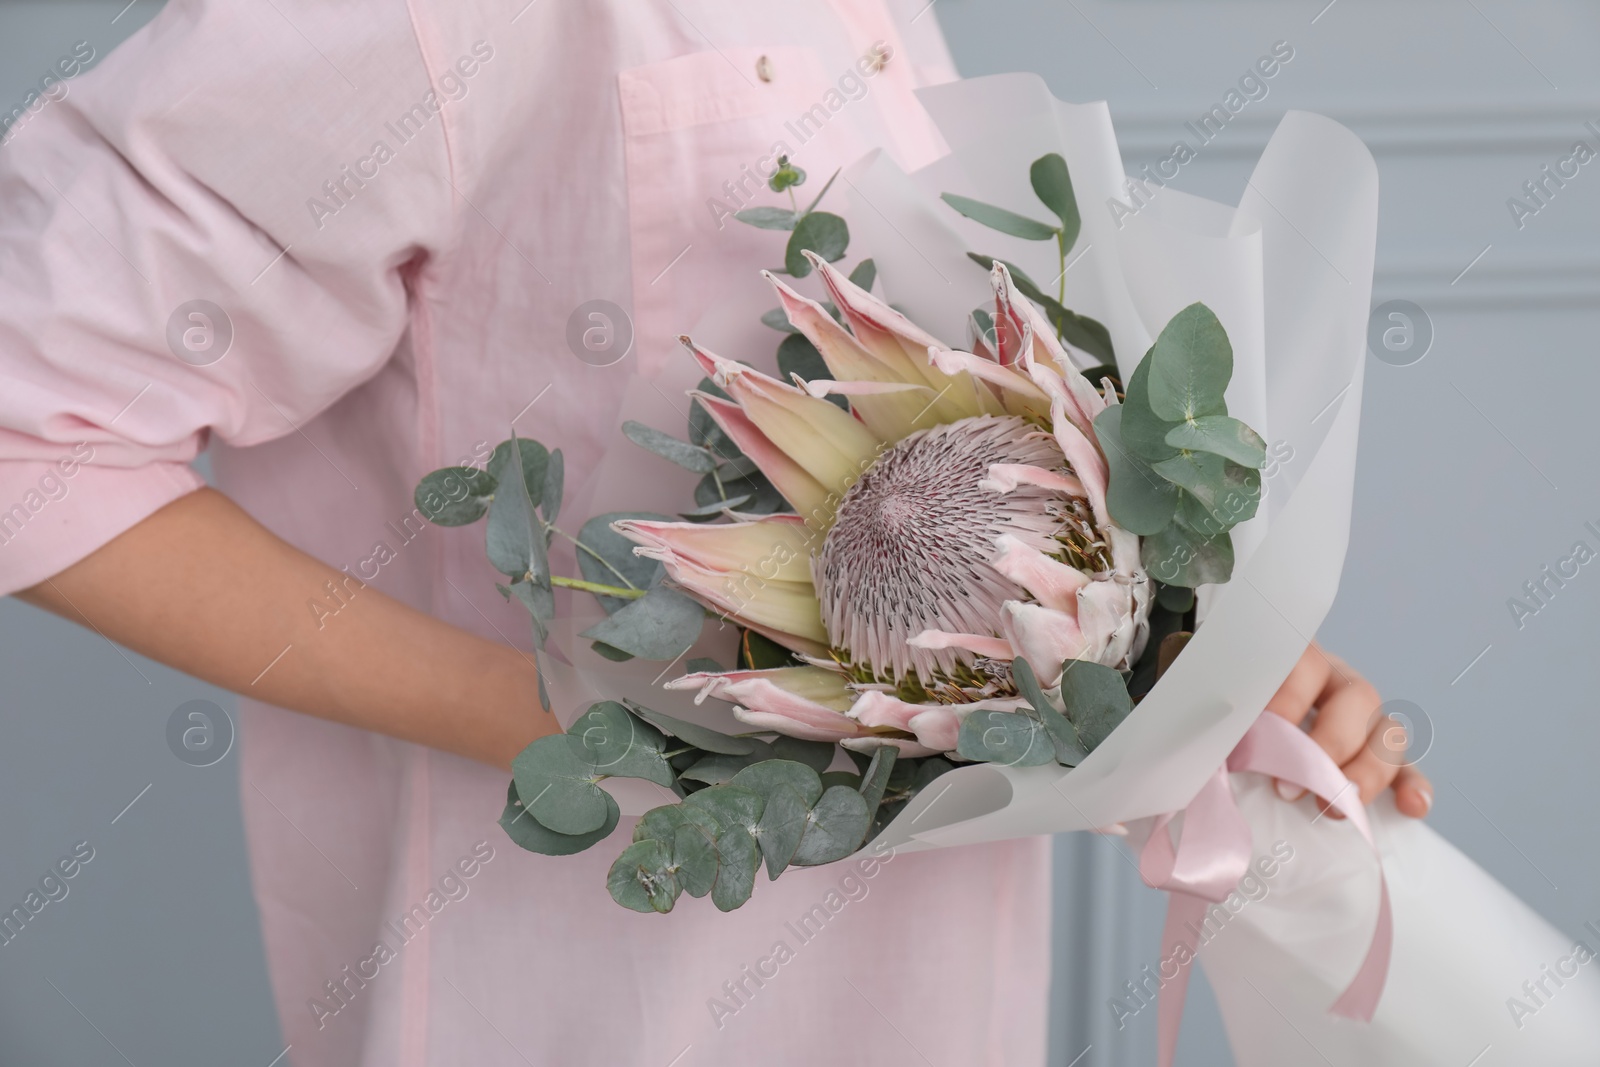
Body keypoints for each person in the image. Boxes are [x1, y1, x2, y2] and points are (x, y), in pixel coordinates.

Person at [0, 2, 1431, 1064]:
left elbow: (922, 438)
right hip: (563, 1010)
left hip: (935, 1003)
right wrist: (561, 722)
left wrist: (1172, 660)